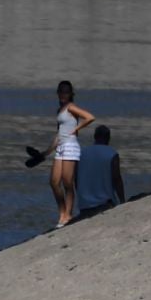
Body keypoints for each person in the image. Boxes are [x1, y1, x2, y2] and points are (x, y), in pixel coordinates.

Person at [42, 80, 95, 227]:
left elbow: (90, 117)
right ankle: (62, 213)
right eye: (60, 91)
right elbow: (58, 134)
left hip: (71, 146)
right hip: (61, 147)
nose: (62, 94)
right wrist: (46, 153)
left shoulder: (71, 107)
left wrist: (77, 128)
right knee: (54, 182)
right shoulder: (59, 110)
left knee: (67, 182)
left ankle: (67, 216)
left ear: (71, 94)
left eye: (66, 92)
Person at [75, 125, 125, 219]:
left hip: (84, 206)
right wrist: (122, 201)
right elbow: (117, 178)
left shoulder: (81, 153)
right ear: (108, 138)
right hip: (104, 204)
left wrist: (81, 197)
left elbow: (75, 179)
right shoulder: (112, 153)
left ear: (95, 137)